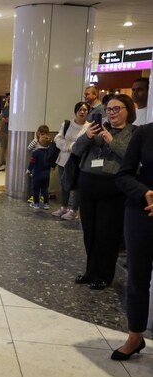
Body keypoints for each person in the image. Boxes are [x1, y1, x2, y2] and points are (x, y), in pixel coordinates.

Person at [71, 94, 137, 290]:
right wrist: (87, 136)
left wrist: (111, 141)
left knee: (106, 234)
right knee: (89, 233)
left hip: (112, 190)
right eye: (109, 109)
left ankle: (104, 275)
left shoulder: (133, 132)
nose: (112, 113)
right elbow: (76, 150)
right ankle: (90, 271)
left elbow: (131, 157)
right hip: (88, 185)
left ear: (128, 111)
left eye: (117, 109)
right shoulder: (99, 128)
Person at [112, 122, 153, 361]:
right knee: (137, 277)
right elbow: (123, 175)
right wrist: (144, 193)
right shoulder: (145, 133)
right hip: (141, 212)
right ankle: (135, 335)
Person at [51, 102, 90, 221]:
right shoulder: (67, 124)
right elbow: (58, 138)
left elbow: (88, 143)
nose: (82, 112)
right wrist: (70, 146)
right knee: (64, 184)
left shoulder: (89, 126)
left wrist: (76, 148)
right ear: (75, 111)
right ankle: (64, 207)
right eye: (79, 110)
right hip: (64, 159)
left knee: (77, 185)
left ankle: (74, 210)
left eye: (84, 110)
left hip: (79, 161)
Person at [26, 135, 52, 210]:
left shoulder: (36, 152)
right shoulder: (49, 152)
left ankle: (36, 203)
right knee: (45, 189)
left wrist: (28, 170)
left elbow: (32, 163)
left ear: (39, 143)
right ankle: (46, 204)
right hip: (46, 175)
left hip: (37, 174)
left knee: (36, 189)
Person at [0, 106, 9, 171]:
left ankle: (2, 163)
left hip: (3, 131)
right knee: (3, 147)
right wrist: (0, 127)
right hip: (5, 131)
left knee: (3, 147)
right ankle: (2, 163)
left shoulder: (5, 108)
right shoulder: (7, 109)